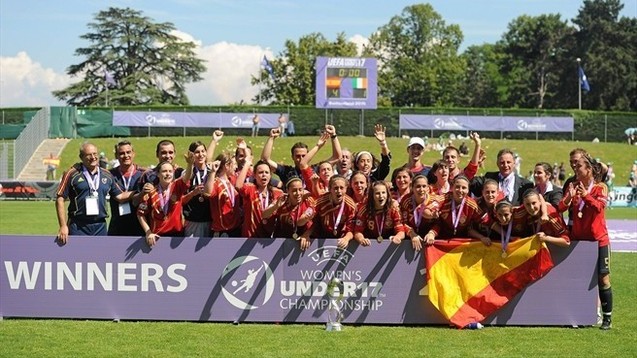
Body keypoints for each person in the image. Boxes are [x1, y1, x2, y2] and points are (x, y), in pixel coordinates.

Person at [558, 153, 613, 330]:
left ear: (588, 169)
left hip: (598, 241)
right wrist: (569, 197)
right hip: (579, 240)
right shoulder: (573, 185)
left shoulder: (600, 187)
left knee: (603, 278)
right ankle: (580, 315)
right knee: (578, 278)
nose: (575, 168)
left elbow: (599, 208)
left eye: (579, 166)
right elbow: (560, 207)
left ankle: (607, 318)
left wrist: (586, 196)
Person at [55, 143, 133, 244]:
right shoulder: (72, 173)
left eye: (95, 154)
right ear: (81, 157)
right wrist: (63, 226)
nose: (93, 157)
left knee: (100, 258)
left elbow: (120, 196)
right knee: (77, 257)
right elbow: (60, 199)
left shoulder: (107, 174)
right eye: (89, 154)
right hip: (78, 225)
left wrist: (139, 193)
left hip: (100, 226)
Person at [137, 154, 193, 247]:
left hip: (177, 237)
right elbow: (140, 214)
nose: (168, 174)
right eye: (164, 171)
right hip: (157, 238)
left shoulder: (177, 186)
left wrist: (190, 164)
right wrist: (148, 232)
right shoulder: (151, 192)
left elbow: (187, 177)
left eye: (170, 171)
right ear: (158, 174)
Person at [261, 125, 341, 186]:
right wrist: (271, 138)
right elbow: (265, 160)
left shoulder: (315, 169)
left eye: (304, 156)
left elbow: (337, 157)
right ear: (292, 157)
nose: (301, 159)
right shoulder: (286, 171)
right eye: (298, 156)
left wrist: (333, 135)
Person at [424, 175, 484, 243]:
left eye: (464, 188)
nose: (460, 190)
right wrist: (431, 215)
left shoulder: (472, 205)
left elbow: (486, 220)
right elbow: (425, 210)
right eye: (457, 187)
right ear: (452, 187)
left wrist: (482, 237)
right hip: (441, 237)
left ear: (468, 190)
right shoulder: (443, 199)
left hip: (462, 240)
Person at [235, 156, 284, 238]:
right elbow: (238, 186)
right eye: (260, 172)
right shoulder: (250, 189)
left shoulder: (277, 193)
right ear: (254, 175)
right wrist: (247, 165)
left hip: (269, 240)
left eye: (266, 172)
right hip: (250, 238)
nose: (264, 175)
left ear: (270, 175)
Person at [301, 176, 356, 247]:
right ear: (330, 189)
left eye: (341, 188)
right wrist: (306, 234)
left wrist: (346, 239)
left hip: (341, 238)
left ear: (346, 189)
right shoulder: (320, 202)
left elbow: (351, 229)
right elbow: (308, 221)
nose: (339, 191)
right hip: (321, 236)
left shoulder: (351, 205)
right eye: (335, 188)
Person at [263, 176, 316, 249]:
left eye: (300, 189)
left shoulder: (308, 201)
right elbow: (264, 214)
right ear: (287, 191)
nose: (298, 193)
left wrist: (307, 234)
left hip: (303, 240)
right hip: (282, 242)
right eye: (294, 190)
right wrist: (275, 206)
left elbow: (316, 222)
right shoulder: (282, 199)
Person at [108, 140, 145, 236]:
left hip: (139, 225)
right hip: (117, 225)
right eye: (121, 153)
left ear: (133, 153)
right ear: (116, 156)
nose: (126, 156)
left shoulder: (144, 174)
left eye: (128, 152)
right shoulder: (109, 175)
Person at [182, 138, 218, 238]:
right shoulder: (187, 173)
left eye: (203, 151)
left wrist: (214, 140)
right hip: (193, 220)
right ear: (191, 154)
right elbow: (181, 200)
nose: (201, 154)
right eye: (197, 152)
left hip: (211, 221)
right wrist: (193, 193)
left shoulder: (213, 171)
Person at [397, 175, 443, 252]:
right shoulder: (406, 201)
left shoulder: (435, 200)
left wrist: (432, 233)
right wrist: (412, 234)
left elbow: (440, 223)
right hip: (411, 238)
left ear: (428, 188)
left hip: (430, 238)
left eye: (424, 186)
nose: (421, 189)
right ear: (412, 188)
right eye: (418, 186)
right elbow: (402, 222)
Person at [353, 181, 405, 246]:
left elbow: (401, 231)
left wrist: (398, 237)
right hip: (369, 244)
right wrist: (361, 239)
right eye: (377, 193)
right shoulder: (365, 210)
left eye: (383, 193)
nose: (381, 196)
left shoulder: (394, 209)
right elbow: (357, 231)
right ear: (372, 195)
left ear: (387, 194)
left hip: (388, 243)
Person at [204, 152, 242, 237]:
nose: (236, 167)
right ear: (227, 166)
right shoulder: (216, 182)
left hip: (235, 228)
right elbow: (207, 193)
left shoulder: (232, 181)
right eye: (234, 164)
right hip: (222, 230)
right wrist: (213, 172)